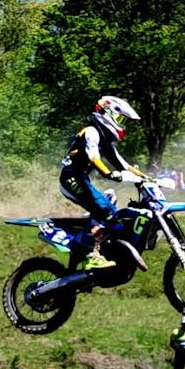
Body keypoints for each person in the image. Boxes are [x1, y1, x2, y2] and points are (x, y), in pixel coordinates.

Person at [59, 96, 148, 270]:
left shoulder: (104, 140)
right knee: (104, 209)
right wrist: (109, 173)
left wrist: (148, 178)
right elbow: (94, 158)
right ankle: (91, 255)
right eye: (121, 119)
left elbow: (124, 165)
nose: (122, 125)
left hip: (81, 179)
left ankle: (99, 246)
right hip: (70, 178)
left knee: (112, 210)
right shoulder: (91, 132)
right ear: (108, 114)